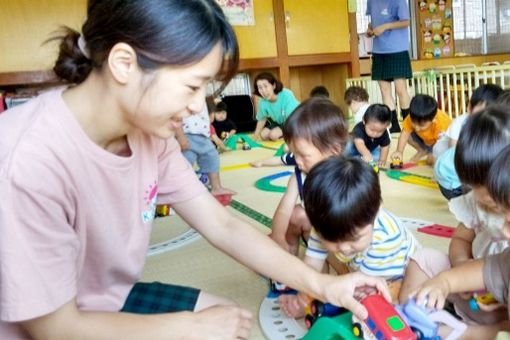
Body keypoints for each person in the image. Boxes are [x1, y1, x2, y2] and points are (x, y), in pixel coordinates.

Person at [0, 1, 391, 339]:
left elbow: (222, 225)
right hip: (49, 326)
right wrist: (188, 328)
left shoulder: (152, 136)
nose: (195, 107)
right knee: (207, 328)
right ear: (124, 64)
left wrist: (326, 285)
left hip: (105, 298)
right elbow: (55, 330)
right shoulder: (28, 163)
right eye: (191, 87)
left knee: (229, 320)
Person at [400, 107, 510, 332]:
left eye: (487, 185)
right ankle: (407, 320)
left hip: (497, 307)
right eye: (473, 184)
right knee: (423, 259)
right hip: (470, 283)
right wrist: (457, 268)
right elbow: (462, 240)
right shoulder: (476, 202)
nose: (480, 195)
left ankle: (479, 329)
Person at [279, 157, 418, 318]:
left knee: (395, 306)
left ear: (376, 212)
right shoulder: (323, 226)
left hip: (398, 273)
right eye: (333, 240)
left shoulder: (385, 238)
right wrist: (302, 300)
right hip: (364, 266)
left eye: (354, 238)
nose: (344, 248)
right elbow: (311, 266)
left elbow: (365, 289)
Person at [269, 97, 349, 256]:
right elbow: (284, 210)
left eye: (304, 156)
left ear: (334, 150)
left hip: (343, 241)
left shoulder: (347, 175)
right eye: (294, 154)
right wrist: (278, 236)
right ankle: (288, 258)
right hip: (315, 235)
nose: (297, 161)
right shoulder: (300, 176)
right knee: (295, 215)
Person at [434, 84, 503, 200]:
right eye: (481, 114)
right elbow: (458, 157)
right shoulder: (463, 125)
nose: (485, 119)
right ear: (470, 108)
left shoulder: (494, 129)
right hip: (453, 183)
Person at [250, 85, 330, 168]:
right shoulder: (308, 113)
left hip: (314, 148)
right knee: (285, 148)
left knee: (287, 150)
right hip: (308, 144)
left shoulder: (323, 117)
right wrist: (262, 162)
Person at [366, 0, 412, 133]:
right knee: (384, 90)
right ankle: (394, 125)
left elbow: (406, 21)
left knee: (400, 89)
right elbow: (373, 21)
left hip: (397, 49)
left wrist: (385, 27)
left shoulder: (398, 1)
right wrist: (370, 29)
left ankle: (408, 124)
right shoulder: (371, 1)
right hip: (379, 50)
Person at [178, 105, 234, 195]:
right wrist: (180, 136)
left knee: (212, 158)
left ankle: (216, 187)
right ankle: (180, 189)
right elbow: (176, 117)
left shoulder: (208, 124)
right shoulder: (182, 99)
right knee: (185, 163)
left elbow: (216, 139)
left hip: (204, 137)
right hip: (187, 136)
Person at [391, 94, 451, 165]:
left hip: (440, 143)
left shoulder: (441, 124)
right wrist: (399, 151)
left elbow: (444, 145)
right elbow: (404, 135)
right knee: (406, 134)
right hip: (425, 140)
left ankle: (429, 152)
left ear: (433, 119)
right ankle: (422, 150)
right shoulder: (412, 117)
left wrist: (434, 155)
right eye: (414, 123)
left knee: (431, 161)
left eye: (421, 125)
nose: (416, 128)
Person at [252, 72, 300, 141]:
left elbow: (291, 119)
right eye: (260, 88)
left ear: (273, 85)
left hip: (295, 121)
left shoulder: (286, 94)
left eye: (265, 86)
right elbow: (262, 119)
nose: (263, 91)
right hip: (280, 122)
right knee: (263, 135)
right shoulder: (262, 101)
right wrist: (255, 136)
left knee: (273, 135)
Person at [345, 103, 392, 168]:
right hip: (353, 148)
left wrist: (382, 160)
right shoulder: (359, 128)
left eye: (380, 131)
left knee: (377, 156)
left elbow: (385, 146)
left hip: (368, 151)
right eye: (372, 130)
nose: (375, 134)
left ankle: (354, 160)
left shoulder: (384, 132)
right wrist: (366, 154)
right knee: (347, 146)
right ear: (364, 121)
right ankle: (343, 158)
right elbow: (359, 143)